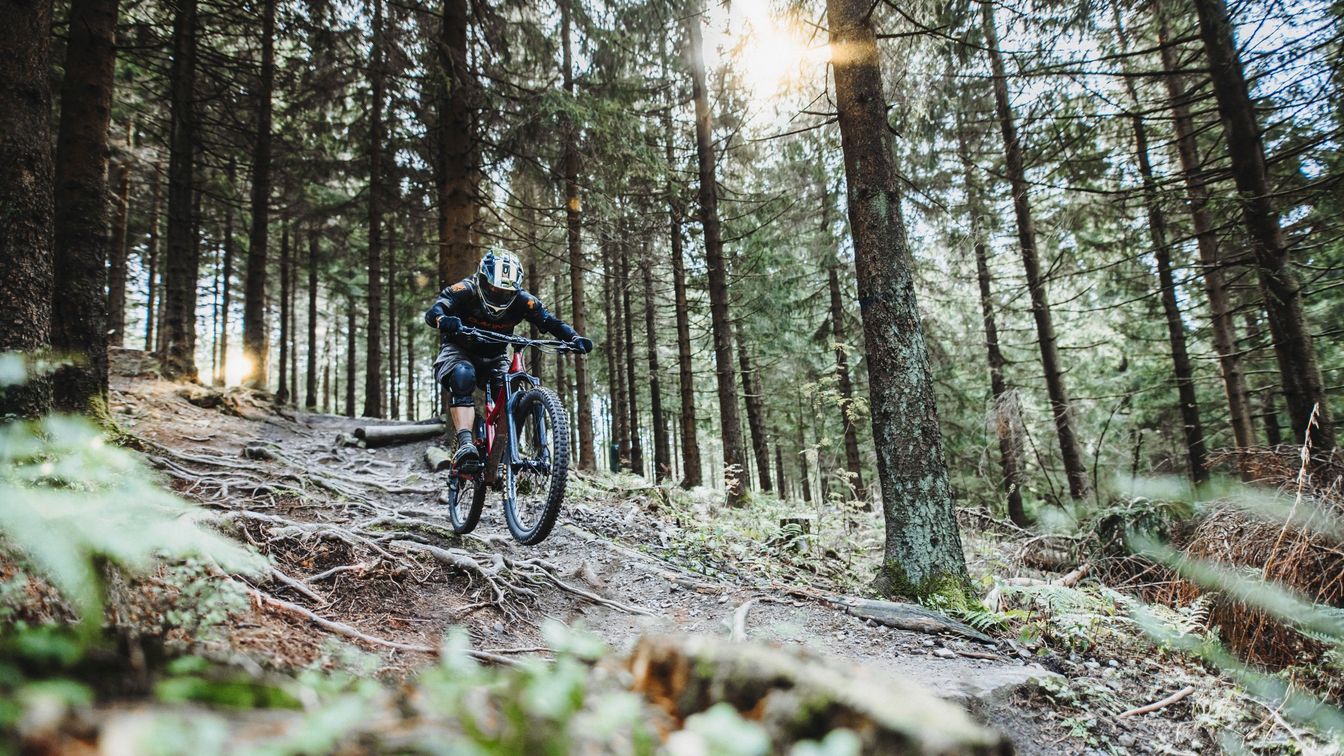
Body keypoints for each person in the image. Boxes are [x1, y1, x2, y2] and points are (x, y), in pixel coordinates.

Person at [424, 248, 593, 466]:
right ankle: (465, 443)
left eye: (504, 292)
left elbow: (550, 322)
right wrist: (443, 320)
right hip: (459, 351)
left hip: (495, 356)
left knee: (512, 395)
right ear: (483, 279)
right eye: (493, 288)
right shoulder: (464, 290)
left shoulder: (524, 301)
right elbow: (435, 310)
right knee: (463, 375)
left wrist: (573, 338)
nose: (497, 294)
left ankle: (506, 450)